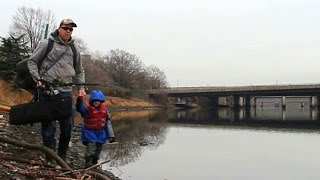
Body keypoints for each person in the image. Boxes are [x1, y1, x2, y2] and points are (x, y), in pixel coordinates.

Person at [27, 19, 86, 163]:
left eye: (71, 29)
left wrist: (81, 88)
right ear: (59, 28)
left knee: (67, 126)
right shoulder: (46, 44)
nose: (68, 31)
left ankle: (62, 156)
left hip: (66, 92)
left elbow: (79, 71)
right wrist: (38, 79)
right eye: (65, 28)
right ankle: (50, 158)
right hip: (46, 91)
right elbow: (32, 62)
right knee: (48, 126)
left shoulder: (75, 49)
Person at [76, 89, 115, 168]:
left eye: (98, 101)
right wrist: (80, 99)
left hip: (101, 133)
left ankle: (94, 161)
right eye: (95, 101)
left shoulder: (104, 110)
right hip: (90, 132)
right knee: (91, 147)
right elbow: (80, 108)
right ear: (92, 101)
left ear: (101, 101)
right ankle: (88, 162)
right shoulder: (88, 109)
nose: (96, 103)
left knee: (98, 150)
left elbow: (108, 123)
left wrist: (111, 135)